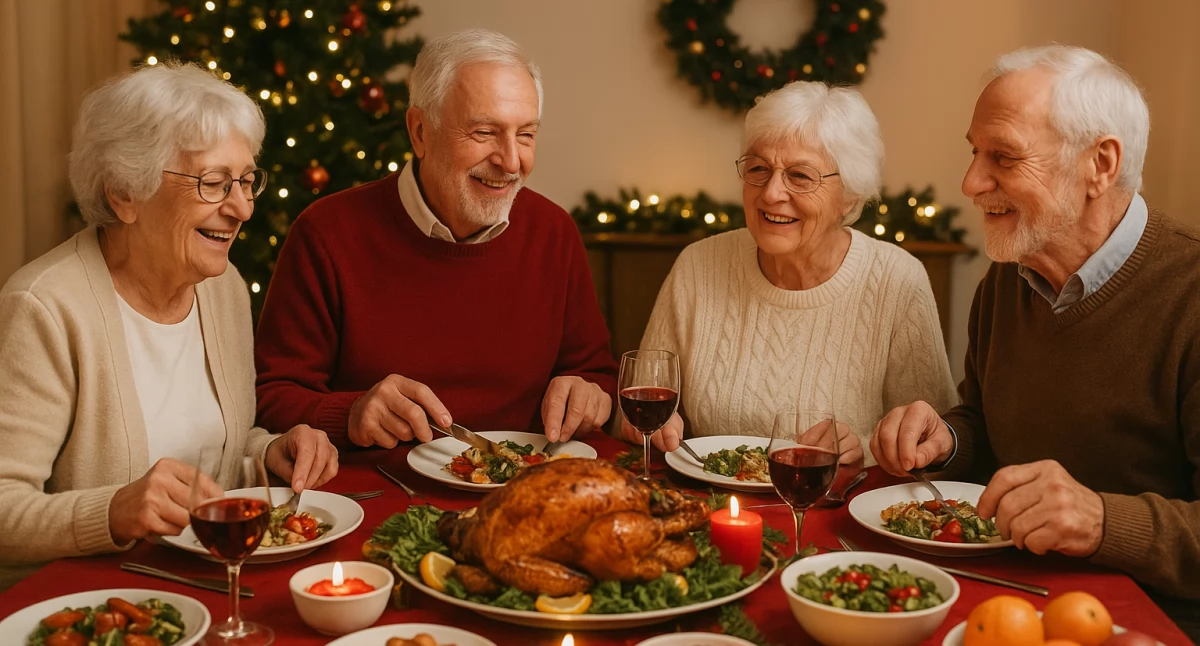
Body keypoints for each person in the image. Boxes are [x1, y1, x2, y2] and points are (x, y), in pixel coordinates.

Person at [870, 45, 1200, 637]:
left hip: (1144, 622)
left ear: (1099, 164)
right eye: (975, 152)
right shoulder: (1009, 276)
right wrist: (947, 437)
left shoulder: (1191, 294)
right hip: (1008, 596)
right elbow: (988, 421)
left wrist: (1101, 520)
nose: (971, 182)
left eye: (1004, 156)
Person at [0, 62, 339, 589]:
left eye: (247, 181)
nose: (243, 208)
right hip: (98, 604)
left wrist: (269, 452)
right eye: (213, 183)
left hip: (208, 583)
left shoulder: (220, 288)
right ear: (124, 193)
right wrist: (113, 511)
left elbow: (215, 451)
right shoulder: (44, 307)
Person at [254, 29, 617, 449]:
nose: (511, 160)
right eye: (484, 133)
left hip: (527, 493)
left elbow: (595, 373)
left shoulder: (554, 232)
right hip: (380, 497)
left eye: (526, 135)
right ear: (420, 132)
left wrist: (592, 394)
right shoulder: (326, 232)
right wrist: (351, 414)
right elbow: (271, 395)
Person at [624, 81, 957, 469]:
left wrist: (861, 449)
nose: (770, 194)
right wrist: (650, 429)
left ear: (849, 194)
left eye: (800, 176)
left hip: (834, 513)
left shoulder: (897, 281)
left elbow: (930, 444)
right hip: (708, 508)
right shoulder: (697, 266)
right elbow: (633, 414)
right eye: (758, 169)